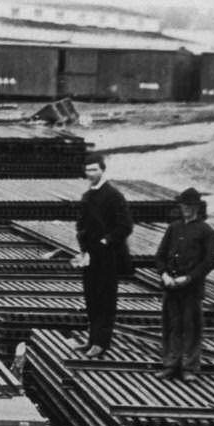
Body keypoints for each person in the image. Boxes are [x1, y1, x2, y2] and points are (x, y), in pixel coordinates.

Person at [153, 187, 214, 381]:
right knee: (172, 326)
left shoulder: (207, 231)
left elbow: (208, 262)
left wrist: (188, 278)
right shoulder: (174, 227)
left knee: (191, 327)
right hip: (170, 285)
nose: (186, 209)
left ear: (197, 207)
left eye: (190, 205)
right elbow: (160, 255)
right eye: (183, 205)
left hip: (191, 288)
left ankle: (189, 367)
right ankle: (170, 365)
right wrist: (164, 274)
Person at [75, 153, 134, 358]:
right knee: (91, 298)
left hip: (108, 256)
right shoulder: (87, 196)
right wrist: (83, 248)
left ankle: (101, 343)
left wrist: (105, 241)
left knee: (105, 300)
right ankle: (91, 340)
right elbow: (82, 225)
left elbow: (125, 226)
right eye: (88, 170)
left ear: (103, 169)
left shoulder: (113, 195)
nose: (91, 174)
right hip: (90, 255)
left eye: (94, 170)